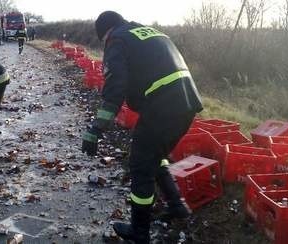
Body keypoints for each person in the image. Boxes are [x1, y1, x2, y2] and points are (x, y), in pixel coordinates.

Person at [81, 11, 203, 243]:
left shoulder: (116, 39)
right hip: (187, 104)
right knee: (154, 156)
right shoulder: (146, 32)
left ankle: (139, 231)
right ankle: (177, 205)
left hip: (163, 107)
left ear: (105, 32)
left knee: (140, 165)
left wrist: (95, 129)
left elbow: (114, 90)